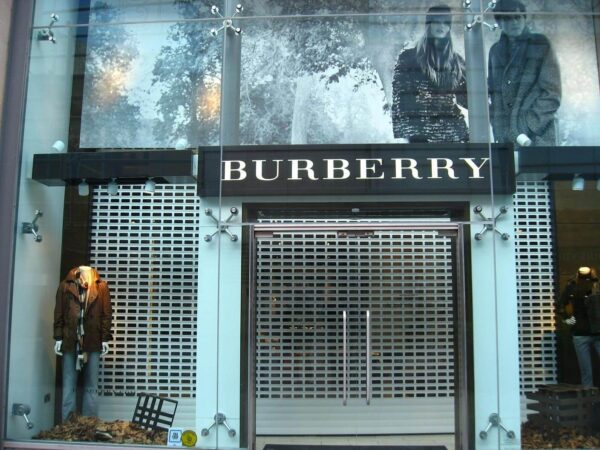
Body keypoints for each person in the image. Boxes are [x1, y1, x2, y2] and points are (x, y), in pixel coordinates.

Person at [488, 0, 561, 147]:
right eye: (508, 18)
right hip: (506, 139)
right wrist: (499, 130)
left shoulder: (540, 44)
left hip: (537, 135)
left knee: (537, 169)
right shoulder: (495, 51)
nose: (514, 22)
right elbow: (494, 95)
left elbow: (551, 94)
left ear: (524, 18)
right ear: (499, 22)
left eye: (518, 17)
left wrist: (525, 126)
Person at [391, 5, 468, 143]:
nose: (441, 26)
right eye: (437, 21)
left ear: (449, 27)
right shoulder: (408, 57)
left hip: (453, 133)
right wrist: (410, 136)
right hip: (420, 133)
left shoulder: (456, 61)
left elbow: (466, 99)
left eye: (445, 22)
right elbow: (399, 99)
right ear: (429, 24)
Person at [53, 266, 113, 420]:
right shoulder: (65, 285)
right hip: (70, 339)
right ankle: (68, 424)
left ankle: (90, 423)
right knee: (68, 385)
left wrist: (105, 338)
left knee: (91, 385)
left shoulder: (101, 286)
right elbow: (58, 312)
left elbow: (106, 315)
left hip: (92, 340)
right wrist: (58, 337)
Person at [557, 266, 600, 387]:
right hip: (584, 333)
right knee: (586, 371)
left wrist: (568, 319)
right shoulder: (574, 287)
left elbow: (560, 305)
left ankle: (589, 401)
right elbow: (560, 305)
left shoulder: (578, 287)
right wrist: (568, 319)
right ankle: (588, 401)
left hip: (587, 332)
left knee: (586, 372)